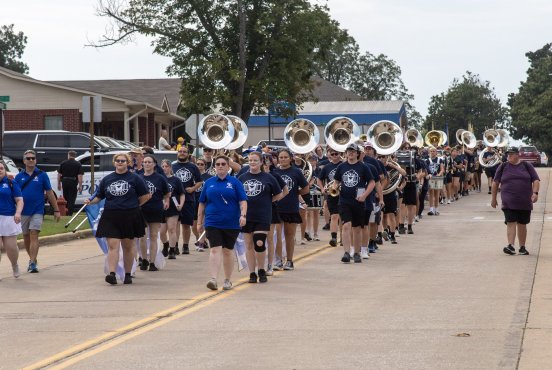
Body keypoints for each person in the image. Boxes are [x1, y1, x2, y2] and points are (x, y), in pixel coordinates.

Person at [85, 153, 151, 285]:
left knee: (127, 246)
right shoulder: (107, 179)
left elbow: (146, 195)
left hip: (130, 215)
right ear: (114, 163)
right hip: (111, 215)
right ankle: (112, 274)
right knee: (113, 245)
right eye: (118, 161)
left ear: (128, 163)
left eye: (123, 161)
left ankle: (127, 274)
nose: (120, 163)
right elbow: (99, 196)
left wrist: (135, 205)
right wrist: (90, 202)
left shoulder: (135, 178)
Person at [198, 155, 248, 291]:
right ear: (215, 167)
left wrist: (243, 215)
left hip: (231, 222)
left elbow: (243, 201)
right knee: (214, 249)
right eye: (218, 164)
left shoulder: (235, 182)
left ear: (228, 166)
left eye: (223, 164)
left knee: (227, 251)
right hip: (212, 221)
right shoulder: (209, 182)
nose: (220, 166)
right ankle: (213, 279)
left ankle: (227, 280)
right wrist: (199, 222)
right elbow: (202, 203)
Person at [238, 151, 283, 284]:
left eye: (255, 160)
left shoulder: (268, 178)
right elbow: (238, 196)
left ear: (261, 162)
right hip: (247, 215)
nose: (252, 163)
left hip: (263, 215)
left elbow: (279, 194)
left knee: (259, 242)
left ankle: (262, 269)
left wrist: (269, 201)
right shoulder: (242, 177)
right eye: (250, 160)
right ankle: (252, 272)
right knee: (248, 244)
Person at [15, 150, 61, 273]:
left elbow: (50, 193)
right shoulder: (19, 177)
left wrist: (56, 209)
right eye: (28, 158)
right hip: (24, 211)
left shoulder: (42, 175)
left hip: (37, 210)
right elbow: (15, 195)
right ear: (24, 161)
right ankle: (32, 259)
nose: (31, 160)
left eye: (33, 158)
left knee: (34, 233)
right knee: (26, 236)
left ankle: (33, 262)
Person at [491, 146, 540, 256]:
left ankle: (522, 247)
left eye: (511, 154)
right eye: (508, 154)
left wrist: (535, 193)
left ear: (517, 154)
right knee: (511, 222)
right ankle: (511, 246)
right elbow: (495, 183)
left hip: (524, 201)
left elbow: (536, 180)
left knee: (522, 224)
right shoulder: (503, 166)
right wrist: (493, 199)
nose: (509, 156)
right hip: (509, 201)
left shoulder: (526, 165)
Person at [333, 143, 375, 263]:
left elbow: (372, 182)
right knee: (346, 226)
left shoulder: (363, 167)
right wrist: (335, 187)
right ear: (346, 153)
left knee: (357, 228)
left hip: (358, 201)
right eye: (348, 151)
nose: (350, 153)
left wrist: (364, 195)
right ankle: (346, 252)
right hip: (344, 200)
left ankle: (356, 252)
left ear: (357, 153)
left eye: (353, 151)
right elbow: (337, 181)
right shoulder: (341, 167)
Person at [272, 149, 309, 271]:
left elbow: (306, 188)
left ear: (290, 158)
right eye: (280, 157)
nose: (282, 159)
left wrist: (295, 193)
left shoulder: (296, 172)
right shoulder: (274, 172)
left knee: (289, 235)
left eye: (285, 157)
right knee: (277, 234)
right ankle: (278, 260)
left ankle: (289, 261)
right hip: (277, 207)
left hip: (291, 207)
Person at [138, 155, 170, 271]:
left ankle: (152, 262)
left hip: (155, 209)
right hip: (142, 210)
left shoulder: (160, 178)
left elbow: (167, 194)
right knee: (142, 236)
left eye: (149, 162)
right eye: (145, 162)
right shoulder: (139, 178)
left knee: (153, 236)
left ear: (154, 164)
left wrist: (166, 202)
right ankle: (144, 259)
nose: (147, 164)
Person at [172, 146, 203, 255]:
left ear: (188, 154)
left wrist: (193, 188)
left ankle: (185, 246)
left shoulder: (193, 167)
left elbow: (200, 181)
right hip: (174, 199)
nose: (182, 153)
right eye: (180, 151)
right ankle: (174, 245)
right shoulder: (172, 166)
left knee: (186, 224)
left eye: (184, 152)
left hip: (189, 199)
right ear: (177, 153)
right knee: (174, 223)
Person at [0, 162, 24, 279]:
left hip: (8, 218)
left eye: (1, 168)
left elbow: (19, 200)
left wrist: (18, 212)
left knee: (11, 247)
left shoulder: (10, 182)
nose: (0, 170)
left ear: (5, 170)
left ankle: (14, 265)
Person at [160, 159, 185, 259]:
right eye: (163, 166)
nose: (165, 168)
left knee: (171, 229)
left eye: (166, 166)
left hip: (173, 207)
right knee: (162, 232)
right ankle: (165, 244)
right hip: (161, 207)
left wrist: (181, 204)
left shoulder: (176, 180)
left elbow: (182, 194)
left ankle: (172, 249)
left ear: (170, 168)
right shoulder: (160, 179)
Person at [317, 148, 342, 247]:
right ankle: (334, 238)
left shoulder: (343, 164)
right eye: (333, 154)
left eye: (337, 153)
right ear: (330, 155)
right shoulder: (327, 167)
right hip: (332, 194)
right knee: (334, 216)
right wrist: (322, 188)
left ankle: (343, 238)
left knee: (343, 218)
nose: (335, 155)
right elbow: (319, 179)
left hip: (343, 193)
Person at [192, 157, 212, 251]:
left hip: (204, 202)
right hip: (193, 201)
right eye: (198, 164)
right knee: (194, 225)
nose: (199, 166)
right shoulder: (192, 176)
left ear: (205, 165)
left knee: (202, 223)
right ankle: (200, 239)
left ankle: (201, 243)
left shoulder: (209, 177)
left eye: (201, 164)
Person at [57, 150, 83, 216]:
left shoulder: (63, 163)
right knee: (72, 197)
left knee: (65, 197)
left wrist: (59, 183)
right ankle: (69, 213)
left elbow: (59, 174)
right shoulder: (78, 164)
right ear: (75, 156)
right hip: (73, 182)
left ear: (68, 155)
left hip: (65, 181)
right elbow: (79, 175)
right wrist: (80, 185)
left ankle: (64, 211)